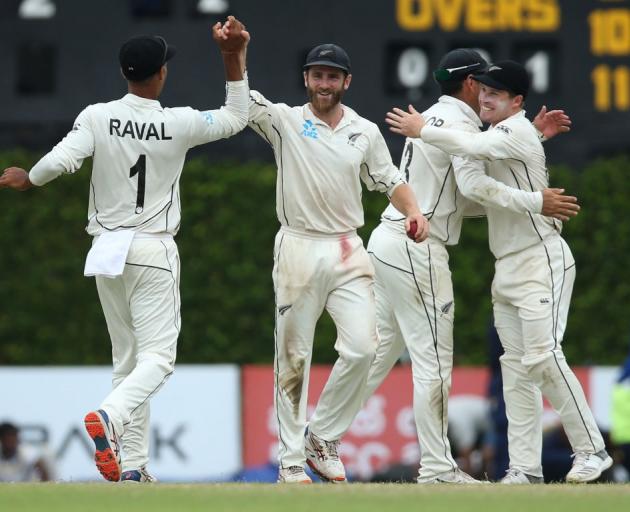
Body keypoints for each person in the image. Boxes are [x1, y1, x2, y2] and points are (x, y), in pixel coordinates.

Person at [0, 16, 250, 482]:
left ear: (124, 74)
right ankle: (110, 417)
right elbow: (237, 116)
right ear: (160, 74)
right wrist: (230, 56)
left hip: (106, 251)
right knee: (158, 360)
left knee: (127, 362)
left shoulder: (97, 115)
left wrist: (28, 177)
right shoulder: (179, 123)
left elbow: (63, 158)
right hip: (152, 248)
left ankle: (134, 467)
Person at [386, 59, 612, 483]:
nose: (486, 98)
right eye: (484, 91)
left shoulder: (517, 130)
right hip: (505, 267)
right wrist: (532, 172)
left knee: (543, 357)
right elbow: (473, 186)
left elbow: (485, 150)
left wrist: (424, 131)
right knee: (515, 369)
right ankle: (525, 469)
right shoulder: (497, 134)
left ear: (518, 102)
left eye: (497, 94)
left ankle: (592, 450)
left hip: (542, 256)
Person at [242, 40, 429, 483]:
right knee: (293, 355)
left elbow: (390, 180)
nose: (324, 83)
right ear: (306, 79)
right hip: (298, 246)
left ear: (346, 82)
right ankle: (290, 461)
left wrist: (415, 210)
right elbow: (241, 97)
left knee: (365, 346)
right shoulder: (285, 121)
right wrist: (236, 53)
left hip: (347, 247)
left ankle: (322, 436)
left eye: (332, 76)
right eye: (317, 75)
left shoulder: (364, 130)